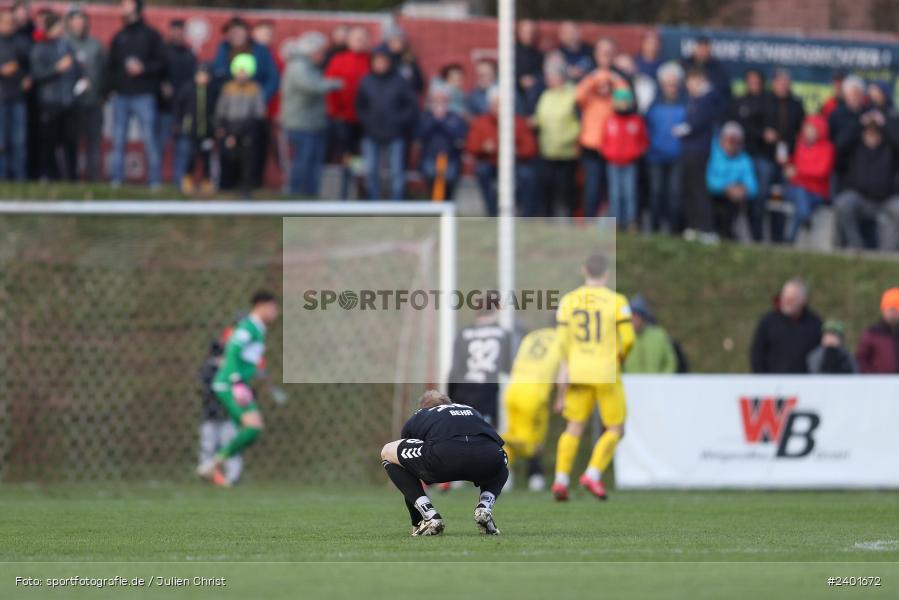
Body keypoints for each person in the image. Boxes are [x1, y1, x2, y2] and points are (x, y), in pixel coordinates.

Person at [552, 253, 635, 502]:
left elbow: (561, 341)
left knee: (574, 427)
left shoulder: (568, 300)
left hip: (577, 369)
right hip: (606, 370)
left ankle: (560, 480)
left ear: (583, 270)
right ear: (606, 274)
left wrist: (566, 366)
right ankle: (592, 473)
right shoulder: (617, 300)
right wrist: (620, 357)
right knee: (616, 428)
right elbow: (629, 338)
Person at [380, 390, 509, 536]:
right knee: (501, 460)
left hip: (445, 457)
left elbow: (407, 468)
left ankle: (429, 516)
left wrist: (415, 522)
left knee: (388, 452)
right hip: (488, 456)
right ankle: (484, 508)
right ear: (450, 404)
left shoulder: (421, 414)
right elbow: (494, 440)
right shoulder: (470, 410)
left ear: (423, 407)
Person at [197, 290, 279, 487]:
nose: (276, 313)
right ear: (261, 306)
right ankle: (212, 464)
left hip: (235, 384)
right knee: (253, 427)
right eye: (274, 308)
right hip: (229, 384)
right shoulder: (248, 326)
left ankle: (215, 468)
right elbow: (232, 351)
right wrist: (236, 381)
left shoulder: (259, 329)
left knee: (249, 430)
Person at [107, 0, 164, 187]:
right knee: (118, 139)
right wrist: (113, 88)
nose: (123, 7)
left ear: (137, 8)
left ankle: (154, 180)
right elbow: (111, 66)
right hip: (122, 96)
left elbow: (161, 64)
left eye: (127, 4)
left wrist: (143, 68)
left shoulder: (151, 35)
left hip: (144, 95)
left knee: (150, 139)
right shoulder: (119, 36)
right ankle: (116, 179)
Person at [280, 31, 343, 197]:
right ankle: (298, 194)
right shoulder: (299, 66)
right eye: (321, 52)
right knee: (304, 161)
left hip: (312, 123)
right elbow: (311, 87)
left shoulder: (307, 67)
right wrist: (336, 83)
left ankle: (309, 194)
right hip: (301, 124)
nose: (323, 56)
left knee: (313, 162)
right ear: (312, 51)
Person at [501, 325, 560, 492]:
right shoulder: (563, 339)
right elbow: (563, 372)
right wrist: (561, 396)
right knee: (532, 442)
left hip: (513, 391)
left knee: (515, 435)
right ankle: (535, 479)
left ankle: (503, 473)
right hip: (534, 394)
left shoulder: (531, 336)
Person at [355, 47, 417, 200]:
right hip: (371, 132)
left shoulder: (400, 81)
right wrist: (367, 121)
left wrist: (399, 122)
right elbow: (360, 105)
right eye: (378, 61)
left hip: (395, 133)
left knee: (396, 171)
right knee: (371, 171)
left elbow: (411, 106)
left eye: (384, 61)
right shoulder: (366, 80)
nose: (381, 65)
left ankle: (397, 204)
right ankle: (373, 203)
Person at [465, 87, 538, 216]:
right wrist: (483, 148)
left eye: (501, 104)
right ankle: (492, 212)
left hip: (514, 163)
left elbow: (530, 148)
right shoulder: (481, 122)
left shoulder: (518, 122)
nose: (498, 108)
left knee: (527, 175)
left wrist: (516, 151)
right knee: (482, 171)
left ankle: (526, 214)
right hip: (491, 162)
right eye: (495, 104)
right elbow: (471, 146)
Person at [833, 109, 899, 250]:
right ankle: (858, 248)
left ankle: (886, 255)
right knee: (843, 204)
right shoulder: (855, 146)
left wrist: (884, 124)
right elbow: (840, 145)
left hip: (886, 198)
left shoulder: (889, 147)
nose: (872, 137)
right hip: (860, 197)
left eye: (876, 133)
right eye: (869, 133)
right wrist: (860, 123)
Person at [446, 295, 512, 427]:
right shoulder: (503, 334)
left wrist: (450, 398)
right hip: (488, 396)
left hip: (462, 395)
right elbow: (508, 367)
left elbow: (455, 370)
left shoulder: (463, 333)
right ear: (497, 308)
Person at [30, 11, 80, 181]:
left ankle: (72, 178)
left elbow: (75, 66)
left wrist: (81, 75)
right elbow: (36, 75)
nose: (61, 29)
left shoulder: (65, 45)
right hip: (50, 102)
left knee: (70, 142)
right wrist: (56, 69)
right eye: (58, 26)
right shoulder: (39, 48)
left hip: (68, 101)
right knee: (49, 143)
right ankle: (51, 176)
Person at [677, 68, 723, 242]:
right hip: (689, 150)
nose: (688, 86)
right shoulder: (694, 99)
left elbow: (696, 123)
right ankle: (692, 225)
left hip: (699, 150)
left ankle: (707, 229)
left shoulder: (708, 98)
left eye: (691, 82)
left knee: (698, 189)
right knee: (688, 188)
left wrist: (682, 129)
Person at [324, 25, 370, 199]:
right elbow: (330, 87)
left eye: (363, 39)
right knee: (347, 156)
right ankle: (344, 191)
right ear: (349, 41)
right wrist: (336, 112)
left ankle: (360, 189)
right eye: (356, 38)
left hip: (365, 119)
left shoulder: (371, 61)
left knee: (362, 156)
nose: (360, 42)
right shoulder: (339, 60)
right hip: (344, 118)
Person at [531, 55, 580, 217]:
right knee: (547, 186)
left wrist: (568, 138)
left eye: (551, 76)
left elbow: (580, 121)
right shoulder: (546, 95)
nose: (548, 79)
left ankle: (570, 217)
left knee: (567, 187)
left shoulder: (573, 94)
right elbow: (540, 117)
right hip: (547, 150)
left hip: (567, 152)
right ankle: (548, 217)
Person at [762, 68, 805, 242]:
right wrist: (764, 134)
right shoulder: (765, 101)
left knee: (783, 197)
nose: (782, 85)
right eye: (779, 82)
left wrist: (792, 158)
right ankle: (767, 234)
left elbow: (801, 132)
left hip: (789, 159)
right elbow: (756, 126)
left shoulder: (796, 104)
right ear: (773, 84)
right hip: (767, 156)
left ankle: (781, 235)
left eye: (785, 82)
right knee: (768, 195)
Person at [730, 69, 773, 241]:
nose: (754, 84)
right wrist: (760, 133)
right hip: (740, 157)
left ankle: (757, 237)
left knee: (758, 197)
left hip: (762, 157)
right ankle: (731, 233)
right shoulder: (739, 102)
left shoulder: (769, 102)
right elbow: (737, 126)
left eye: (757, 80)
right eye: (750, 80)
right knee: (735, 196)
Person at [215, 53, 265, 196]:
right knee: (228, 156)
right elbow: (221, 108)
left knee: (247, 160)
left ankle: (246, 186)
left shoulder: (255, 89)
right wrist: (221, 126)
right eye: (239, 71)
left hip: (248, 128)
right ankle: (227, 185)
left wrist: (248, 128)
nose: (242, 75)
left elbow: (259, 112)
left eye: (245, 72)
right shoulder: (228, 88)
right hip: (230, 126)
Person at [645, 61, 686, 232]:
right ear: (661, 84)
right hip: (655, 156)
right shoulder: (652, 105)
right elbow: (646, 130)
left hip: (678, 156)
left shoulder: (686, 104)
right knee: (656, 193)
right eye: (668, 83)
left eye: (674, 83)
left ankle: (674, 231)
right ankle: (654, 229)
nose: (671, 87)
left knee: (675, 195)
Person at [750, 278, 822, 374]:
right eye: (785, 298)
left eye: (792, 299)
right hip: (773, 384)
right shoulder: (768, 322)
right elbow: (757, 354)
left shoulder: (815, 324)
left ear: (803, 301)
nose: (787, 302)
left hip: (805, 383)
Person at [65, 6, 104, 182]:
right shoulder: (65, 44)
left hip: (93, 103)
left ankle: (93, 179)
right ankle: (70, 179)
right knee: (70, 144)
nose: (79, 25)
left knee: (93, 144)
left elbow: (105, 70)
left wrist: (102, 92)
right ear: (70, 23)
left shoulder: (95, 45)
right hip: (72, 104)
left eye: (82, 21)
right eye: (76, 21)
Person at [197, 336, 242, 487]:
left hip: (227, 413)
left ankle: (232, 476)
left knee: (229, 444)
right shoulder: (208, 369)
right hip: (211, 414)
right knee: (208, 445)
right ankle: (207, 474)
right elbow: (209, 389)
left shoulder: (231, 369)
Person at [575, 67, 620, 218]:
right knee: (592, 185)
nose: (603, 88)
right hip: (591, 148)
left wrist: (613, 77)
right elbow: (578, 94)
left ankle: (609, 217)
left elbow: (625, 94)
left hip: (610, 148)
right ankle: (589, 216)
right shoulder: (589, 100)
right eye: (600, 85)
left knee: (610, 186)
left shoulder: (614, 101)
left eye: (606, 84)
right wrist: (592, 77)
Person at [782, 115, 835, 243]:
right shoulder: (799, 144)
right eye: (806, 128)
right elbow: (792, 164)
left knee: (802, 199)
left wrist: (797, 172)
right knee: (800, 194)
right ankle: (805, 216)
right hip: (796, 190)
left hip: (816, 192)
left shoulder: (827, 148)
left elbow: (821, 172)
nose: (808, 131)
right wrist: (786, 164)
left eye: (812, 128)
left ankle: (790, 239)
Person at [602, 87, 648, 230]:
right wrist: (609, 154)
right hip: (613, 163)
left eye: (625, 102)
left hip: (630, 163)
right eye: (619, 102)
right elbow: (604, 141)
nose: (623, 105)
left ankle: (631, 220)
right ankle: (616, 220)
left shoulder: (636, 121)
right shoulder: (610, 121)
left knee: (630, 192)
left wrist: (635, 153)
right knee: (615, 193)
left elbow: (643, 141)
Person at [158, 19, 196, 184]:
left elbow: (193, 82)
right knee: (160, 146)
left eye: (181, 31)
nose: (177, 35)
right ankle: (156, 182)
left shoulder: (190, 55)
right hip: (165, 108)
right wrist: (162, 85)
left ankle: (178, 182)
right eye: (175, 31)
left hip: (183, 110)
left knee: (182, 148)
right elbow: (156, 74)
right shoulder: (162, 52)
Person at [706, 121, 759, 240]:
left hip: (734, 198)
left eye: (737, 142)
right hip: (715, 195)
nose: (733, 145)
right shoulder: (712, 154)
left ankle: (729, 235)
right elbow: (708, 180)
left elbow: (753, 185)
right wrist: (726, 188)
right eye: (730, 141)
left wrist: (743, 190)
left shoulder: (744, 159)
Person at [417, 82, 468, 201]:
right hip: (429, 156)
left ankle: (447, 203)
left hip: (450, 157)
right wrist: (434, 120)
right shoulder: (425, 116)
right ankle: (433, 203)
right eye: (436, 99)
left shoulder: (455, 117)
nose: (439, 102)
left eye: (442, 99)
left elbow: (459, 135)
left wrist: (442, 121)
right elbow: (420, 134)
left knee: (450, 177)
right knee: (430, 173)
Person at [173, 63, 217, 194]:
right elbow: (178, 107)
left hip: (207, 131)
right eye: (200, 75)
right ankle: (187, 181)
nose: (203, 78)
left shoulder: (212, 91)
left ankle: (207, 182)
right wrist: (178, 124)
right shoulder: (187, 89)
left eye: (205, 75)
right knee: (190, 157)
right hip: (190, 130)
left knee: (207, 158)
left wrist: (215, 127)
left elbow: (216, 110)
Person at [0, 7, 29, 181]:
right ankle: (2, 177)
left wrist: (28, 78)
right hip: (1, 98)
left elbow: (29, 64)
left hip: (18, 98)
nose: (9, 25)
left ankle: (19, 178)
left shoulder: (20, 42)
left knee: (19, 141)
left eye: (12, 22)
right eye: (5, 22)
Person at [623, 294, 677, 374]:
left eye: (637, 316)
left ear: (643, 317)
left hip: (657, 385)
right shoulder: (623, 336)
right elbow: (617, 363)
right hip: (630, 385)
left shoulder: (659, 335)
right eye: (632, 316)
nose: (634, 320)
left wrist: (663, 381)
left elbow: (670, 361)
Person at [856, 288, 899, 374]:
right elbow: (860, 360)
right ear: (883, 310)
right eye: (891, 309)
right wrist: (873, 379)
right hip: (878, 385)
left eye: (897, 310)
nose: (894, 313)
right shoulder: (872, 334)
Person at [376, 24, 423, 96]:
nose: (398, 43)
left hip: (407, 97)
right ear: (387, 42)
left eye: (400, 40)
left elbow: (419, 82)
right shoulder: (382, 58)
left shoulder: (409, 58)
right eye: (394, 40)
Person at [682, 36, 730, 101]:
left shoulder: (718, 68)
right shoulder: (685, 64)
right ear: (695, 49)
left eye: (705, 50)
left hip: (709, 102)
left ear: (709, 50)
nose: (702, 52)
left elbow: (722, 90)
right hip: (686, 100)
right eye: (700, 49)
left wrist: (703, 88)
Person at [515, 19, 543, 115]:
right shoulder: (511, 52)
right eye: (525, 32)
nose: (529, 35)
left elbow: (542, 73)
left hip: (533, 90)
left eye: (531, 32)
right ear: (519, 33)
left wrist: (534, 79)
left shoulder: (538, 54)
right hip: (515, 89)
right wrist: (519, 80)